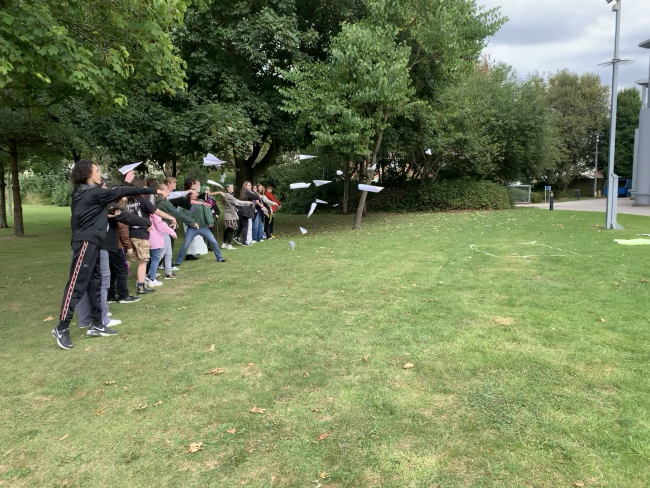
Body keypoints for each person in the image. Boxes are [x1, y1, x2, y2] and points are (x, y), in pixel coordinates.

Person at [52, 161, 160, 350]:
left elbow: (111, 202)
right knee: (76, 285)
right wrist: (153, 190)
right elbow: (117, 191)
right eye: (97, 170)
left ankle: (97, 325)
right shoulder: (89, 192)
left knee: (96, 283)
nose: (99, 173)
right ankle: (61, 328)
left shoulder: (88, 193)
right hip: (85, 242)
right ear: (87, 173)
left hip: (94, 242)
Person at [125, 178, 178, 295]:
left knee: (130, 259)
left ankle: (120, 285)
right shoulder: (142, 201)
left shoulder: (127, 202)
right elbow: (157, 212)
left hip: (129, 233)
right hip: (140, 234)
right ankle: (141, 287)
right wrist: (171, 218)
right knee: (143, 261)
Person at [155, 183, 198, 279]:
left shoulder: (163, 201)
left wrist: (172, 220)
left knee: (168, 252)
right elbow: (177, 213)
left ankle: (168, 273)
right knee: (161, 253)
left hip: (166, 227)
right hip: (162, 228)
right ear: (162, 191)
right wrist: (192, 222)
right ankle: (149, 274)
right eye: (167, 190)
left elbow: (169, 214)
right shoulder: (163, 202)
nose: (169, 191)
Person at [174, 197, 226, 265]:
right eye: (194, 194)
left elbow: (207, 212)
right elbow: (182, 215)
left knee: (214, 242)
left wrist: (210, 222)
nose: (196, 194)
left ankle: (220, 258)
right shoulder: (184, 205)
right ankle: (178, 261)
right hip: (192, 228)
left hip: (204, 228)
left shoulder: (201, 202)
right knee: (185, 245)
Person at [147, 213, 177, 286]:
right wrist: (172, 232)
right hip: (160, 236)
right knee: (159, 256)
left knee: (168, 254)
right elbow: (161, 226)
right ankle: (151, 275)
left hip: (161, 235)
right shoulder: (154, 214)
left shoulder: (150, 214)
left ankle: (168, 273)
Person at [221, 183, 253, 250]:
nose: (232, 188)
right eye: (231, 187)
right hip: (229, 214)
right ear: (227, 188)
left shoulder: (229, 195)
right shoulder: (229, 195)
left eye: (233, 187)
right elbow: (237, 202)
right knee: (230, 229)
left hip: (231, 214)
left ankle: (224, 243)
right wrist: (247, 202)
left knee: (227, 229)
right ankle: (229, 244)